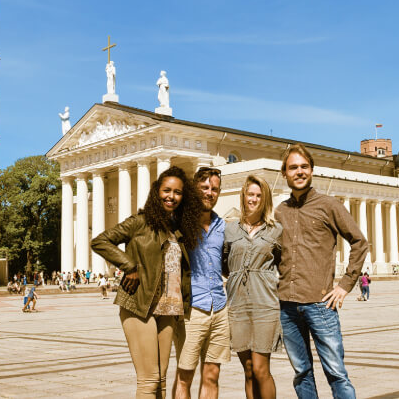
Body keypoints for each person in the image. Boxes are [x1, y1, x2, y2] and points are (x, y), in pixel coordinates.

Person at [91, 166, 203, 398]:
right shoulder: (140, 222)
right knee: (149, 380)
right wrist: (129, 266)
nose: (171, 196)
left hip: (168, 308)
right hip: (140, 306)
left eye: (178, 192)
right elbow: (100, 241)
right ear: (156, 192)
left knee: (161, 381)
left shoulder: (178, 229)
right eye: (166, 190)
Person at [275, 144, 368, 398]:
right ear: (285, 173)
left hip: (321, 304)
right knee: (301, 373)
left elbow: (360, 242)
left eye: (304, 167)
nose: (299, 172)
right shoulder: (280, 211)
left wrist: (345, 285)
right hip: (287, 305)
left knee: (336, 373)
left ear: (312, 170)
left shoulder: (329, 205)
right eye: (293, 167)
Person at [223, 175, 283, 399]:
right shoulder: (229, 230)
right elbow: (225, 263)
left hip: (265, 304)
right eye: (251, 194)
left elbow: (283, 263)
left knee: (260, 369)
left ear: (265, 199)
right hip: (237, 305)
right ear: (243, 195)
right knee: (248, 371)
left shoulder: (275, 230)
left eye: (259, 195)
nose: (254, 199)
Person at [174, 167, 229, 399]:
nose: (210, 192)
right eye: (205, 188)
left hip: (219, 309)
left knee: (211, 376)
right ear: (195, 191)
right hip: (192, 311)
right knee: (184, 376)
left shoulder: (222, 226)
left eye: (214, 189)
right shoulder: (180, 222)